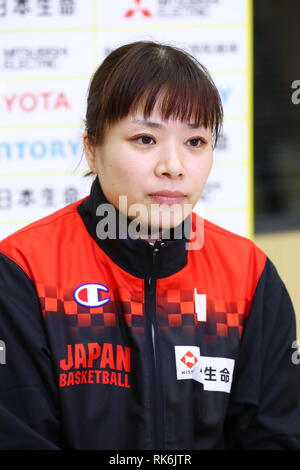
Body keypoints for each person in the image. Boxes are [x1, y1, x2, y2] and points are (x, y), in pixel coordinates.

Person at [0, 40, 300, 450]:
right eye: (145, 139)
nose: (173, 167)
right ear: (92, 147)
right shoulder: (23, 270)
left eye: (195, 142)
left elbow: (277, 435)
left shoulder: (248, 275)